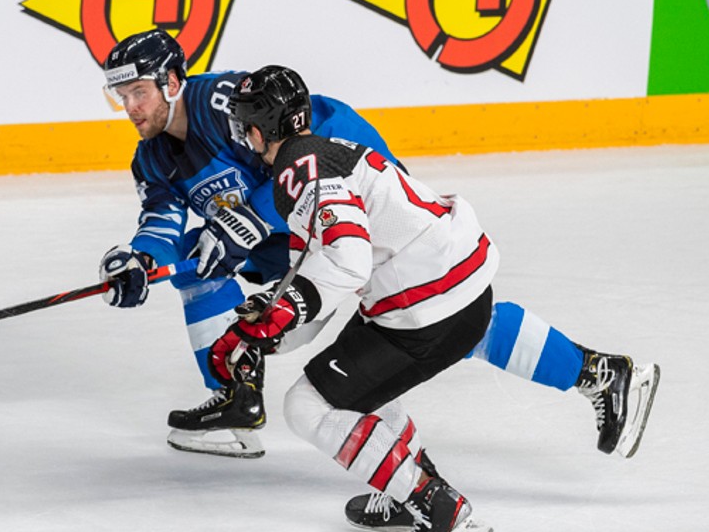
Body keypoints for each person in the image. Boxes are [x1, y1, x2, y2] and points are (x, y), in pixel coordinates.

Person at [96, 29, 659, 463]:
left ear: (172, 82)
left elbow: (306, 150)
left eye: (138, 92)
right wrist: (141, 260)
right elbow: (163, 219)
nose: (131, 108)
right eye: (121, 96)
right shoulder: (151, 156)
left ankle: (597, 374)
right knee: (200, 266)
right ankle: (236, 401)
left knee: (426, 318)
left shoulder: (222, 101)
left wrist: (247, 216)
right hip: (296, 233)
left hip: (352, 200)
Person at [197, 64, 660, 531]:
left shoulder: (296, 169)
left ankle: (435, 507)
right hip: (451, 282)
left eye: (243, 125)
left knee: (307, 407)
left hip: (424, 306)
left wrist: (281, 312)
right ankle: (415, 485)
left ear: (258, 128)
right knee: (359, 378)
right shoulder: (324, 150)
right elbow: (319, 274)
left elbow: (347, 259)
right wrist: (263, 335)